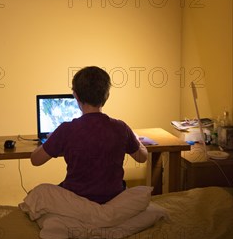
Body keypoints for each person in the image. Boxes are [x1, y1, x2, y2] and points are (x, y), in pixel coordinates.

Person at [31, 66, 148, 204]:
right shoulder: (121, 127)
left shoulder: (66, 130)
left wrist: (53, 139)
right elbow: (142, 157)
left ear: (75, 95)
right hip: (113, 198)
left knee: (34, 195)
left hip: (76, 199)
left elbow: (35, 160)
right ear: (107, 96)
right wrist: (134, 138)